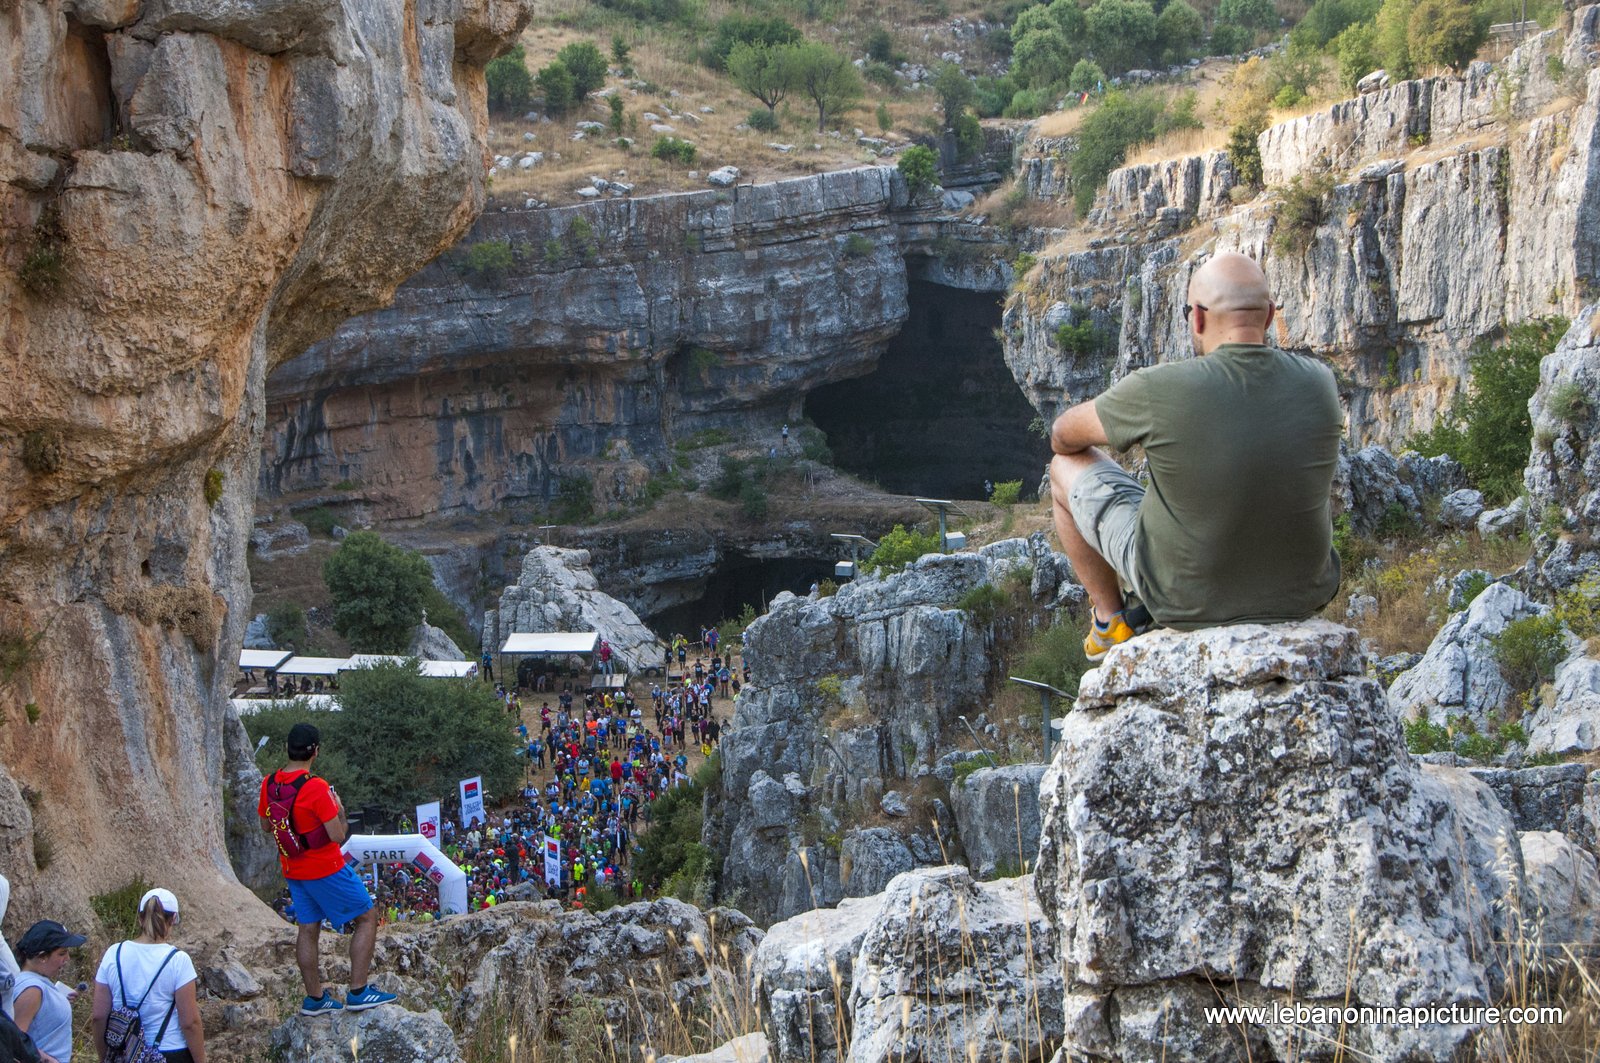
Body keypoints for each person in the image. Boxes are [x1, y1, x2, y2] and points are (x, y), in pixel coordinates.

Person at [1046, 251, 1342, 660]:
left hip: (1182, 599)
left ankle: (1109, 620)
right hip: (1303, 595)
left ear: (1197, 318)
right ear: (1270, 315)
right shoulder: (1321, 382)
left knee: (1063, 468)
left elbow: (1062, 435)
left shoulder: (1159, 387)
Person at [257, 722, 397, 1015]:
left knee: (308, 929)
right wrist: (340, 809)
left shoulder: (269, 783)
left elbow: (266, 825)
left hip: (293, 870)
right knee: (367, 918)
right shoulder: (316, 787)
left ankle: (315, 999)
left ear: (287, 748)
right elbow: (337, 834)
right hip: (326, 868)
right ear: (315, 752)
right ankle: (358, 991)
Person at [90, 889, 206, 1063]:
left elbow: (98, 1016)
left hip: (123, 1052)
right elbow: (190, 1023)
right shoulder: (178, 960)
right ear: (173, 919)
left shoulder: (113, 954)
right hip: (169, 1051)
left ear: (140, 918)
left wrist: (104, 1056)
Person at [11, 922, 83, 1063]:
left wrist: (57, 1002)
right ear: (42, 956)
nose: (67, 958)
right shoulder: (32, 989)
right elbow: (15, 1042)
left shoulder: (36, 982)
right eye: (61, 953)